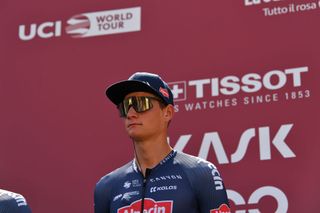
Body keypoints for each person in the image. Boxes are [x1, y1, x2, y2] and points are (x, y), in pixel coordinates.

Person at [94, 72, 230, 213]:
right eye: (125, 106)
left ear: (167, 113)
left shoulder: (202, 173)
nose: (131, 113)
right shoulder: (106, 187)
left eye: (141, 104)